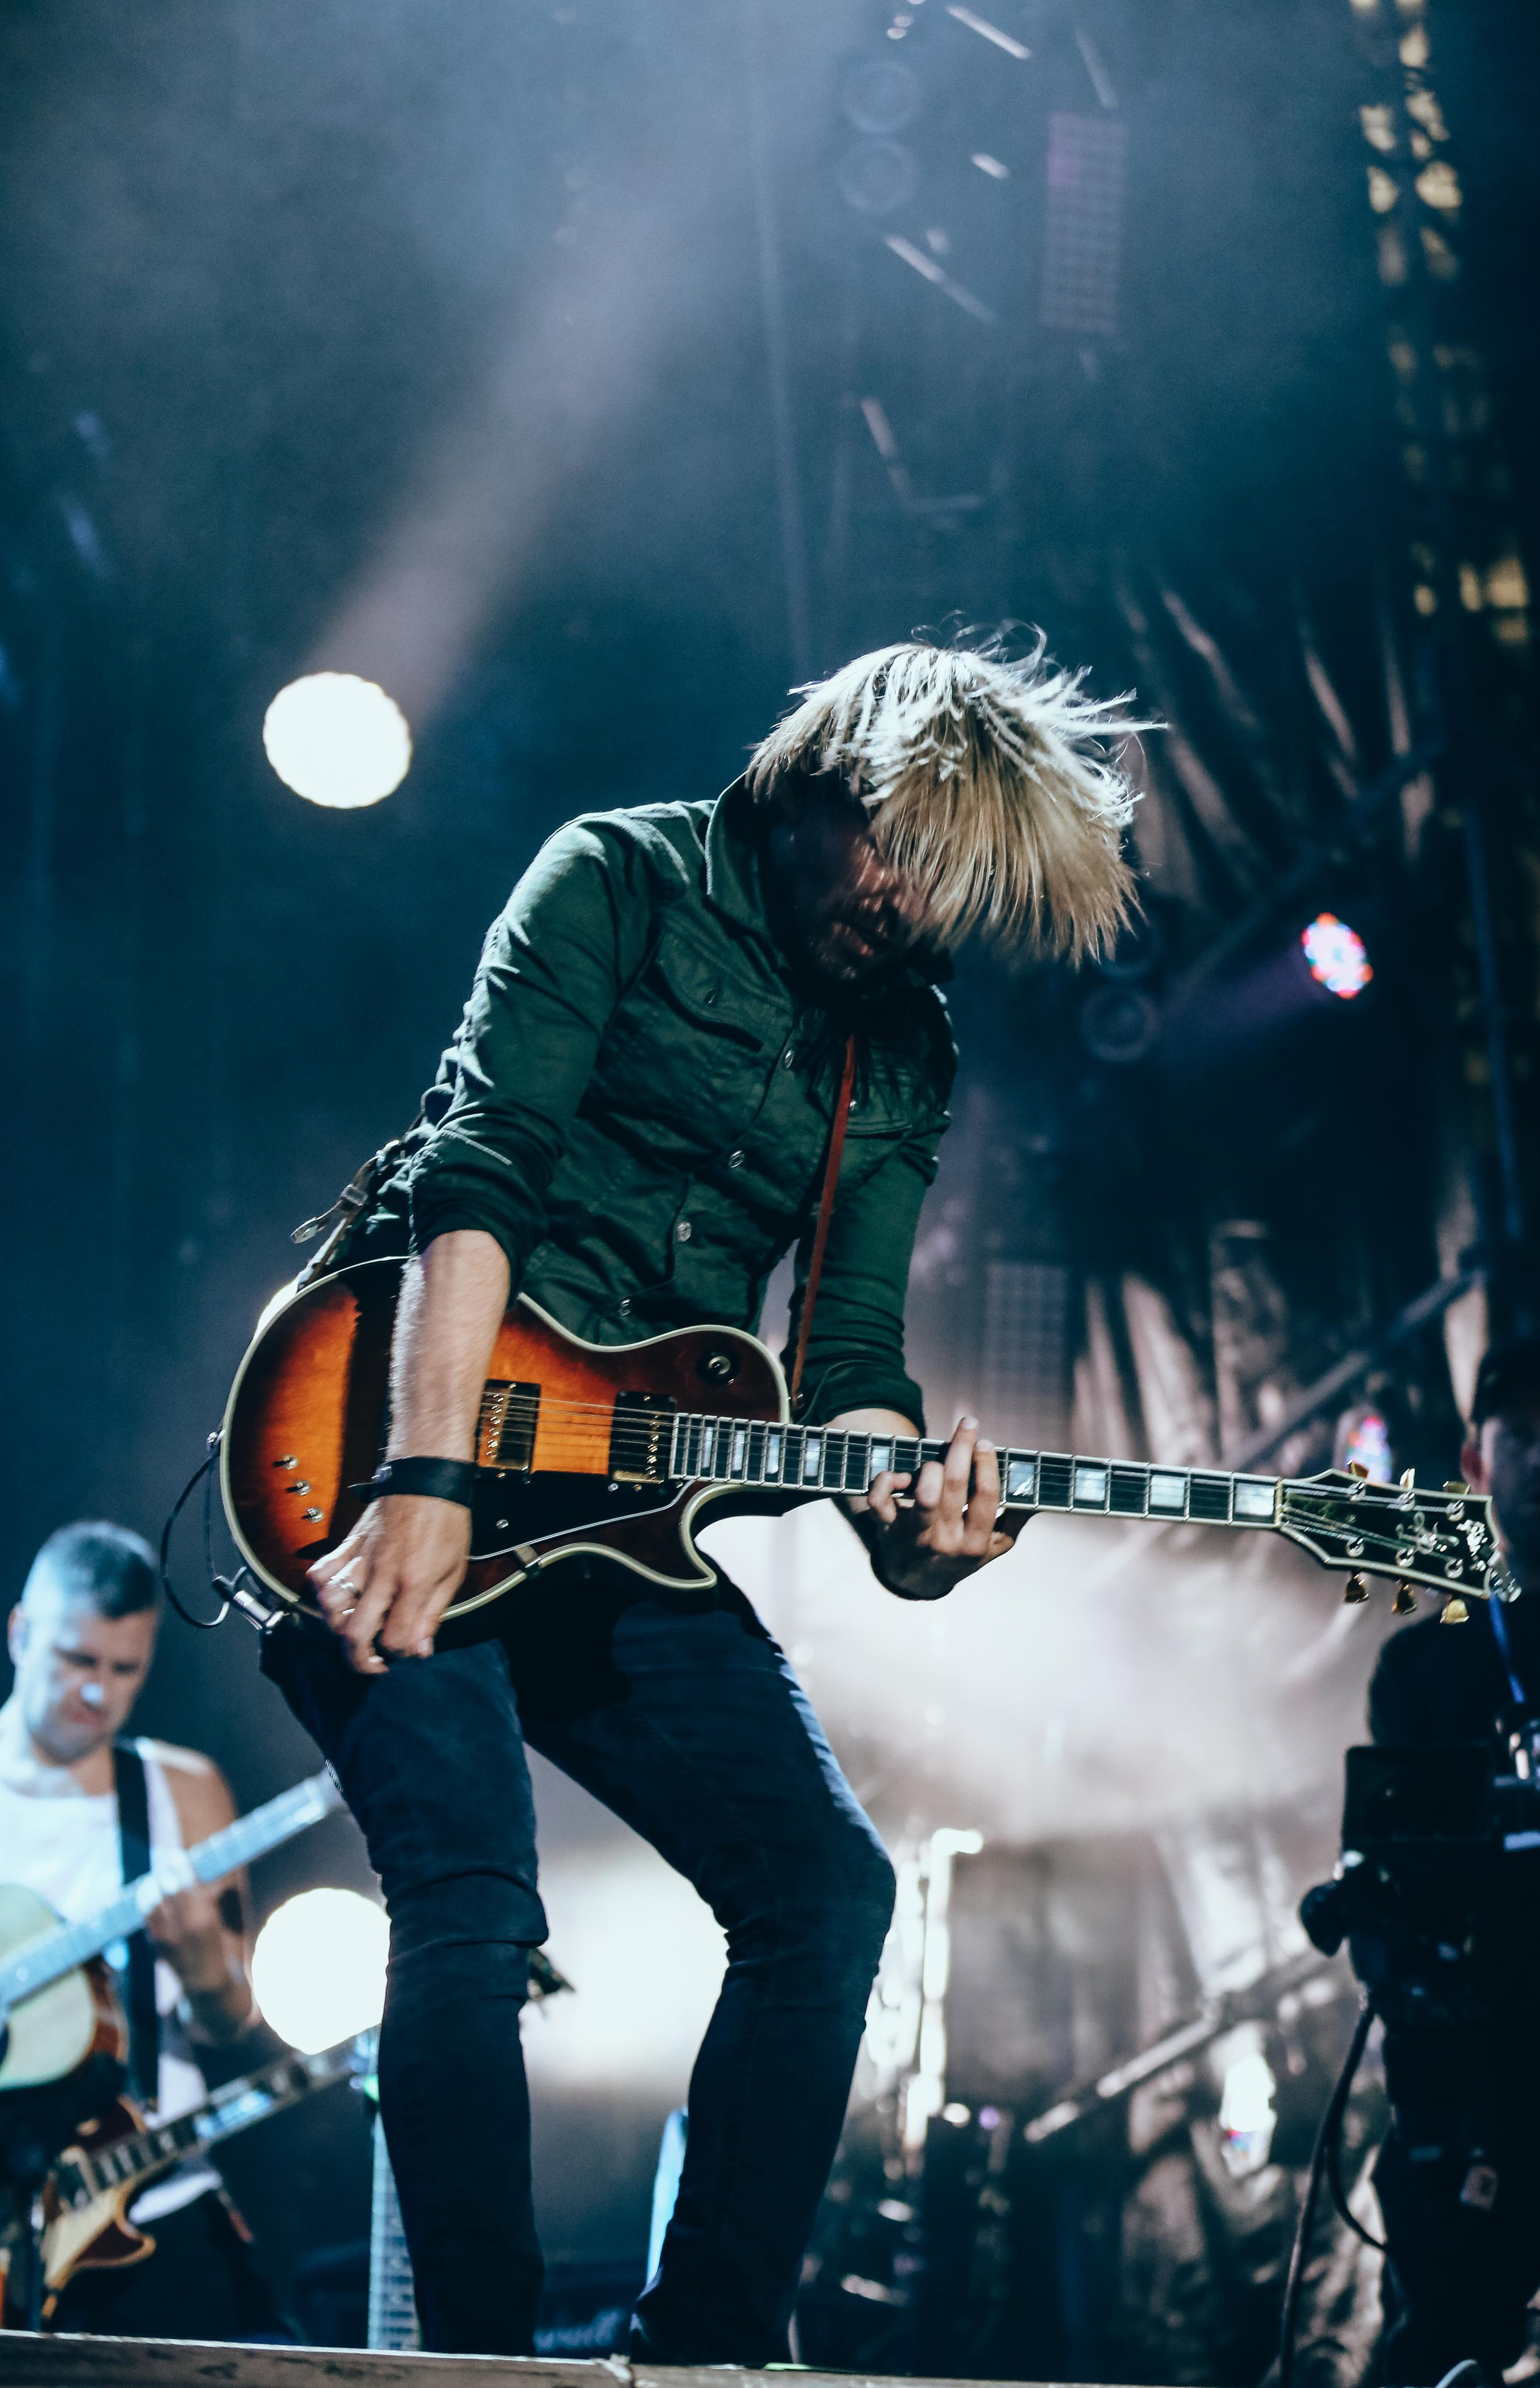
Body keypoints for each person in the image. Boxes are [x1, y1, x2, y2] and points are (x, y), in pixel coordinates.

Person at [262, 637, 1143, 2359]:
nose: (907, 915)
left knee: (826, 1896)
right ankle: (476, 2364)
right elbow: (481, 1171)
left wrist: (924, 1538)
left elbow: (850, 1365)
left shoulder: (903, 1047)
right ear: (819, 784)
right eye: (901, 858)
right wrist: (430, 1477)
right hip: (391, 1450)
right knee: (474, 1905)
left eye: (951, 900)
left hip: (622, 1519)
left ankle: (707, 2351)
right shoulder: (617, 877)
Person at [1366, 1329, 1540, 2384]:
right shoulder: (1422, 1663)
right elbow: (1381, 1888)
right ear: (1476, 1462)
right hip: (1466, 2091)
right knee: (1438, 2347)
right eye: (1522, 1436)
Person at [0, 1520, 284, 2341]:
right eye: (77, 1660)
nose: (99, 1692)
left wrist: (202, 1965)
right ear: (20, 1633)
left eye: (126, 1670)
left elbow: (230, 2024)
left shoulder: (184, 1793)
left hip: (150, 2201)